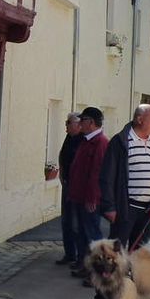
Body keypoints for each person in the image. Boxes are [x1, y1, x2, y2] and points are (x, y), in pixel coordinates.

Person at [96, 104, 150, 299]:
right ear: (139, 119)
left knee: (140, 259)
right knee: (111, 258)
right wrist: (109, 206)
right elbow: (106, 177)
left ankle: (139, 298)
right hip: (126, 209)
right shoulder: (120, 142)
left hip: (147, 213)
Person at [67, 107, 109, 281]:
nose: (79, 124)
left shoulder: (100, 142)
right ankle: (86, 267)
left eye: (82, 120)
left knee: (93, 237)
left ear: (91, 122)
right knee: (83, 235)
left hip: (89, 199)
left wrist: (92, 197)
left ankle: (99, 273)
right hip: (79, 196)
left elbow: (97, 173)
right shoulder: (86, 140)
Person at [55, 113, 84, 266]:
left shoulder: (83, 140)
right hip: (67, 185)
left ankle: (80, 257)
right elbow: (63, 156)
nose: (66, 125)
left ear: (78, 125)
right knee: (66, 221)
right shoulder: (70, 138)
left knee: (75, 223)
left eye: (68, 123)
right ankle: (70, 254)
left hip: (77, 188)